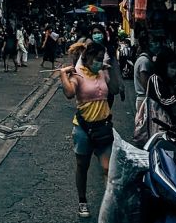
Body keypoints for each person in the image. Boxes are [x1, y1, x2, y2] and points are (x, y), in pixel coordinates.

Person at [59, 41, 119, 219]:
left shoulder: (102, 72)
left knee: (108, 169)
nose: (100, 62)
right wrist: (63, 75)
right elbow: (70, 93)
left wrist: (112, 67)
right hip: (83, 129)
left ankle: (108, 207)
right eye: (98, 59)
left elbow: (115, 89)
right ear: (89, 57)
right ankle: (82, 201)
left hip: (103, 127)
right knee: (82, 167)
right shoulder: (78, 74)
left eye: (102, 59)